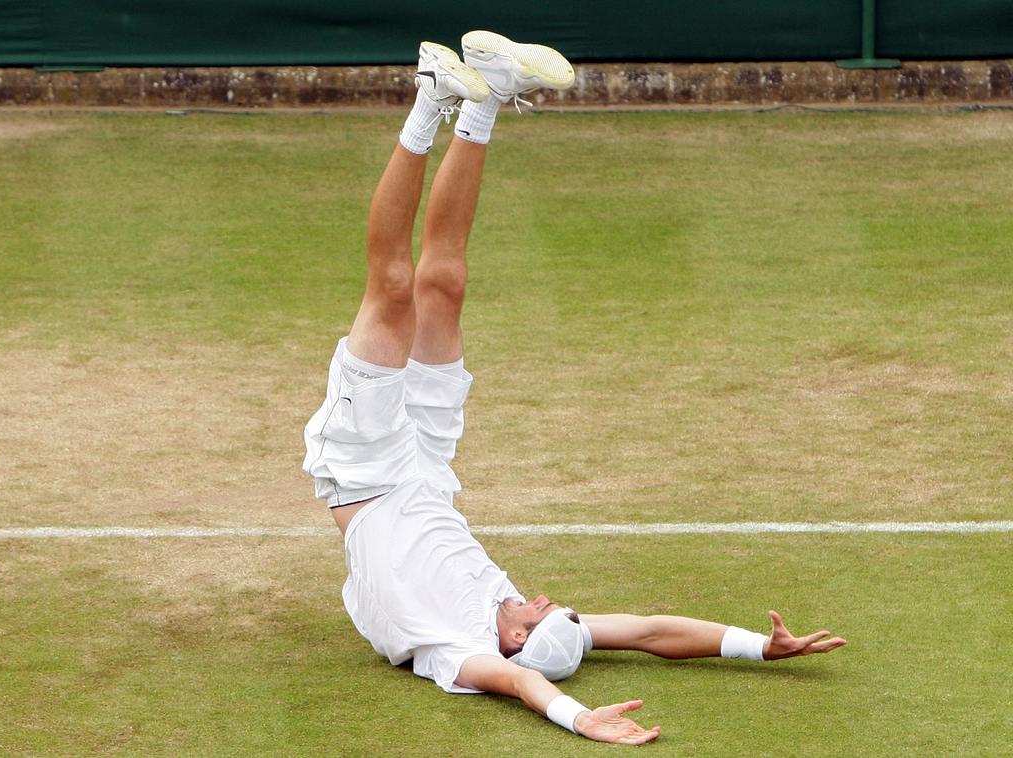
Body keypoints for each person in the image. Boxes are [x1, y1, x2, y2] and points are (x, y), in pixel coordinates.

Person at [302, 31, 847, 745]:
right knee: (445, 285)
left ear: (510, 646)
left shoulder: (455, 654)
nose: (538, 599)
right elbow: (650, 632)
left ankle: (428, 98)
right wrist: (756, 645)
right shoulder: (539, 629)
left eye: (530, 617)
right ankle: (488, 98)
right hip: (428, 472)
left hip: (366, 476)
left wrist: (578, 716)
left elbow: (526, 686)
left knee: (395, 290)